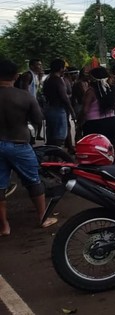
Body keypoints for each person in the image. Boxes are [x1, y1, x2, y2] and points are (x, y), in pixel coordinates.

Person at [0, 58, 58, 235]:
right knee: (33, 181)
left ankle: (4, 226)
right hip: (19, 145)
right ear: (16, 76)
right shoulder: (24, 96)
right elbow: (38, 119)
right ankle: (42, 217)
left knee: (0, 186)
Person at [80, 67, 115, 157]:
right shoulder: (112, 89)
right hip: (112, 121)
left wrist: (80, 123)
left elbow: (85, 110)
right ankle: (112, 164)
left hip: (94, 124)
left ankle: (97, 168)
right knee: (112, 144)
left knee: (94, 147)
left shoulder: (91, 91)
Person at [42, 59, 74, 149]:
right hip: (58, 110)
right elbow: (64, 97)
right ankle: (56, 158)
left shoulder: (47, 79)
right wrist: (72, 111)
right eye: (64, 67)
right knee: (59, 137)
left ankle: (51, 158)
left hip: (49, 108)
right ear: (60, 68)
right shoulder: (58, 80)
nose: (65, 69)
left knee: (51, 136)